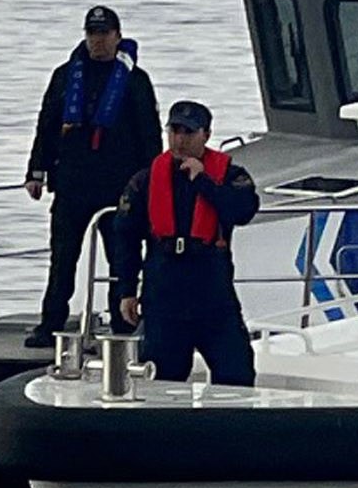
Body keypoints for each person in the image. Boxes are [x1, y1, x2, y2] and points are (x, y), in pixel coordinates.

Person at [24, 4, 159, 344]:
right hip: (73, 184)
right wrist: (36, 171)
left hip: (119, 186)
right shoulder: (65, 75)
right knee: (63, 258)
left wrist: (152, 182)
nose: (98, 41)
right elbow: (47, 126)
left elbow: (150, 136)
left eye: (104, 34)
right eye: (92, 34)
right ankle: (50, 323)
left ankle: (123, 325)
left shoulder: (135, 81)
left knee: (122, 260)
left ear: (117, 36)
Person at [108, 101, 260, 385]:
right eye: (174, 130)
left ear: (206, 134)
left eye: (188, 132)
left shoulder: (230, 175)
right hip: (165, 289)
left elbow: (244, 211)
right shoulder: (145, 180)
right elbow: (125, 237)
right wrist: (126, 290)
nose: (180, 139)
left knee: (236, 372)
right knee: (162, 376)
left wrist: (203, 182)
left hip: (211, 289)